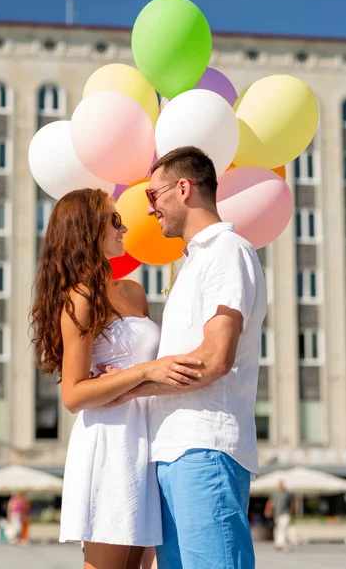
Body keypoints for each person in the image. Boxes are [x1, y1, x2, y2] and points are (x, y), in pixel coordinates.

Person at [101, 146, 268, 569]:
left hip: (205, 448)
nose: (150, 208)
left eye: (153, 196)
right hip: (174, 451)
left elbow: (215, 357)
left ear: (183, 188)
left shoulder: (227, 250)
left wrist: (131, 386)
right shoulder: (193, 262)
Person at [29, 188, 203, 569]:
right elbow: (74, 395)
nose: (124, 227)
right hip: (110, 442)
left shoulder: (135, 291)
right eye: (114, 218)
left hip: (150, 440)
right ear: (87, 228)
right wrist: (142, 371)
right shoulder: (80, 297)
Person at [264, 480, 294, 552]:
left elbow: (293, 503)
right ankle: (279, 543)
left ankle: (280, 544)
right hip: (277, 514)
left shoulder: (287, 493)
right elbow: (270, 502)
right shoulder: (274, 493)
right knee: (278, 528)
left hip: (285, 513)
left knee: (282, 527)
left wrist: (292, 511)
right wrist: (268, 510)